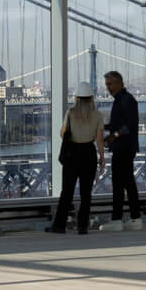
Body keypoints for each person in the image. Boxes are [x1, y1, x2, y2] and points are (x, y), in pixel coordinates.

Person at [49, 92, 103, 234]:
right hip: (89, 153)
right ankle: (82, 227)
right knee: (86, 193)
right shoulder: (97, 115)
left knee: (67, 192)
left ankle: (59, 226)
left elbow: (62, 134)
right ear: (91, 98)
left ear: (77, 98)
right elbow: (99, 139)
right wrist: (102, 157)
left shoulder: (70, 113)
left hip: (72, 153)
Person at [103, 70, 140, 225]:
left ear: (119, 83)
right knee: (126, 182)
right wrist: (103, 128)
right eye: (107, 85)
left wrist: (113, 136)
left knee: (120, 183)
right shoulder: (121, 100)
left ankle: (118, 219)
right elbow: (118, 125)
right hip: (123, 147)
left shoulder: (126, 100)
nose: (108, 88)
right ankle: (134, 218)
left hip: (124, 147)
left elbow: (129, 126)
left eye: (110, 84)